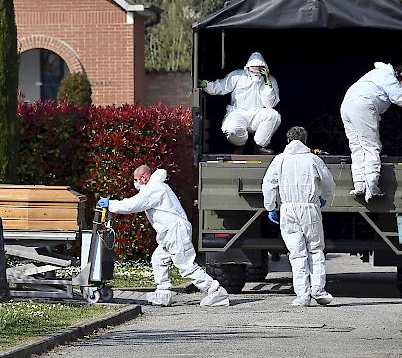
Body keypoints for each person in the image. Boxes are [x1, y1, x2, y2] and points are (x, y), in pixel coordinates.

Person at [97, 165, 230, 307]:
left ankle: (215, 291)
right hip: (171, 232)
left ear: (144, 178)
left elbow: (132, 205)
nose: (135, 183)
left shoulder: (154, 189)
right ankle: (163, 293)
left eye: (136, 179)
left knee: (185, 265)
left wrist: (110, 204)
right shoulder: (158, 187)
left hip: (175, 231)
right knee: (158, 259)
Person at [262, 126, 336, 306]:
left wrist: (271, 206)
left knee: (296, 253)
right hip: (310, 208)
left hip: (288, 209)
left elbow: (268, 184)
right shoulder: (313, 159)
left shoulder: (279, 160)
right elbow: (329, 183)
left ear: (288, 140)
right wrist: (323, 196)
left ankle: (302, 295)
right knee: (315, 249)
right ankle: (318, 288)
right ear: (305, 140)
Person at [340, 62, 402, 202]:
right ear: (401, 77)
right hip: (363, 105)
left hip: (347, 106)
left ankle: (360, 186)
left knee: (357, 147)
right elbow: (400, 98)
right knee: (371, 146)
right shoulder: (389, 78)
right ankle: (372, 187)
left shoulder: (381, 73)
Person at [199, 52, 280, 155]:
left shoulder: (270, 80)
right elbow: (221, 87)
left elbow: (270, 104)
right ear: (248, 67)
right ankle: (241, 146)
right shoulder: (237, 75)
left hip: (258, 115)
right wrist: (206, 85)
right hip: (239, 113)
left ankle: (259, 146)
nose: (256, 70)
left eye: (259, 68)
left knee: (273, 115)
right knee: (230, 128)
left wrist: (267, 82)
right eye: (253, 68)